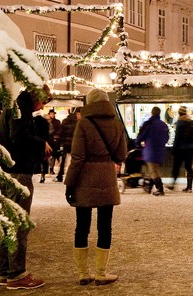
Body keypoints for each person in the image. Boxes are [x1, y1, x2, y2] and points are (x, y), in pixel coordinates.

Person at [66, 88, 127, 286]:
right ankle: (101, 273)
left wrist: (69, 183)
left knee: (82, 226)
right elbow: (121, 155)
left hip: (84, 179)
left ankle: (83, 273)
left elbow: (77, 157)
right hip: (107, 179)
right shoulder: (117, 124)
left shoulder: (83, 123)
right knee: (105, 226)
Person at [0, 89, 48, 290]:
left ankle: (6, 271)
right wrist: (41, 144)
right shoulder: (20, 108)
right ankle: (16, 274)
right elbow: (19, 136)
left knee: (8, 222)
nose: (43, 107)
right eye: (44, 101)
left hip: (9, 170)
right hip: (19, 172)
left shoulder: (13, 105)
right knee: (19, 223)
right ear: (37, 97)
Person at [137, 105, 170, 196]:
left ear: (152, 113)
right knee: (155, 169)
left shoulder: (148, 123)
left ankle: (160, 189)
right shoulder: (163, 125)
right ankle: (150, 187)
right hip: (161, 150)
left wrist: (138, 144)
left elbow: (140, 136)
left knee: (153, 170)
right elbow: (167, 137)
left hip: (150, 150)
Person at [171, 106, 193, 192]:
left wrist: (174, 149)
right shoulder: (192, 122)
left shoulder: (180, 123)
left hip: (181, 149)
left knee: (176, 167)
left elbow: (177, 138)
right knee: (188, 167)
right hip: (191, 149)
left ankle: (173, 184)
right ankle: (189, 187)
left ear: (179, 113)